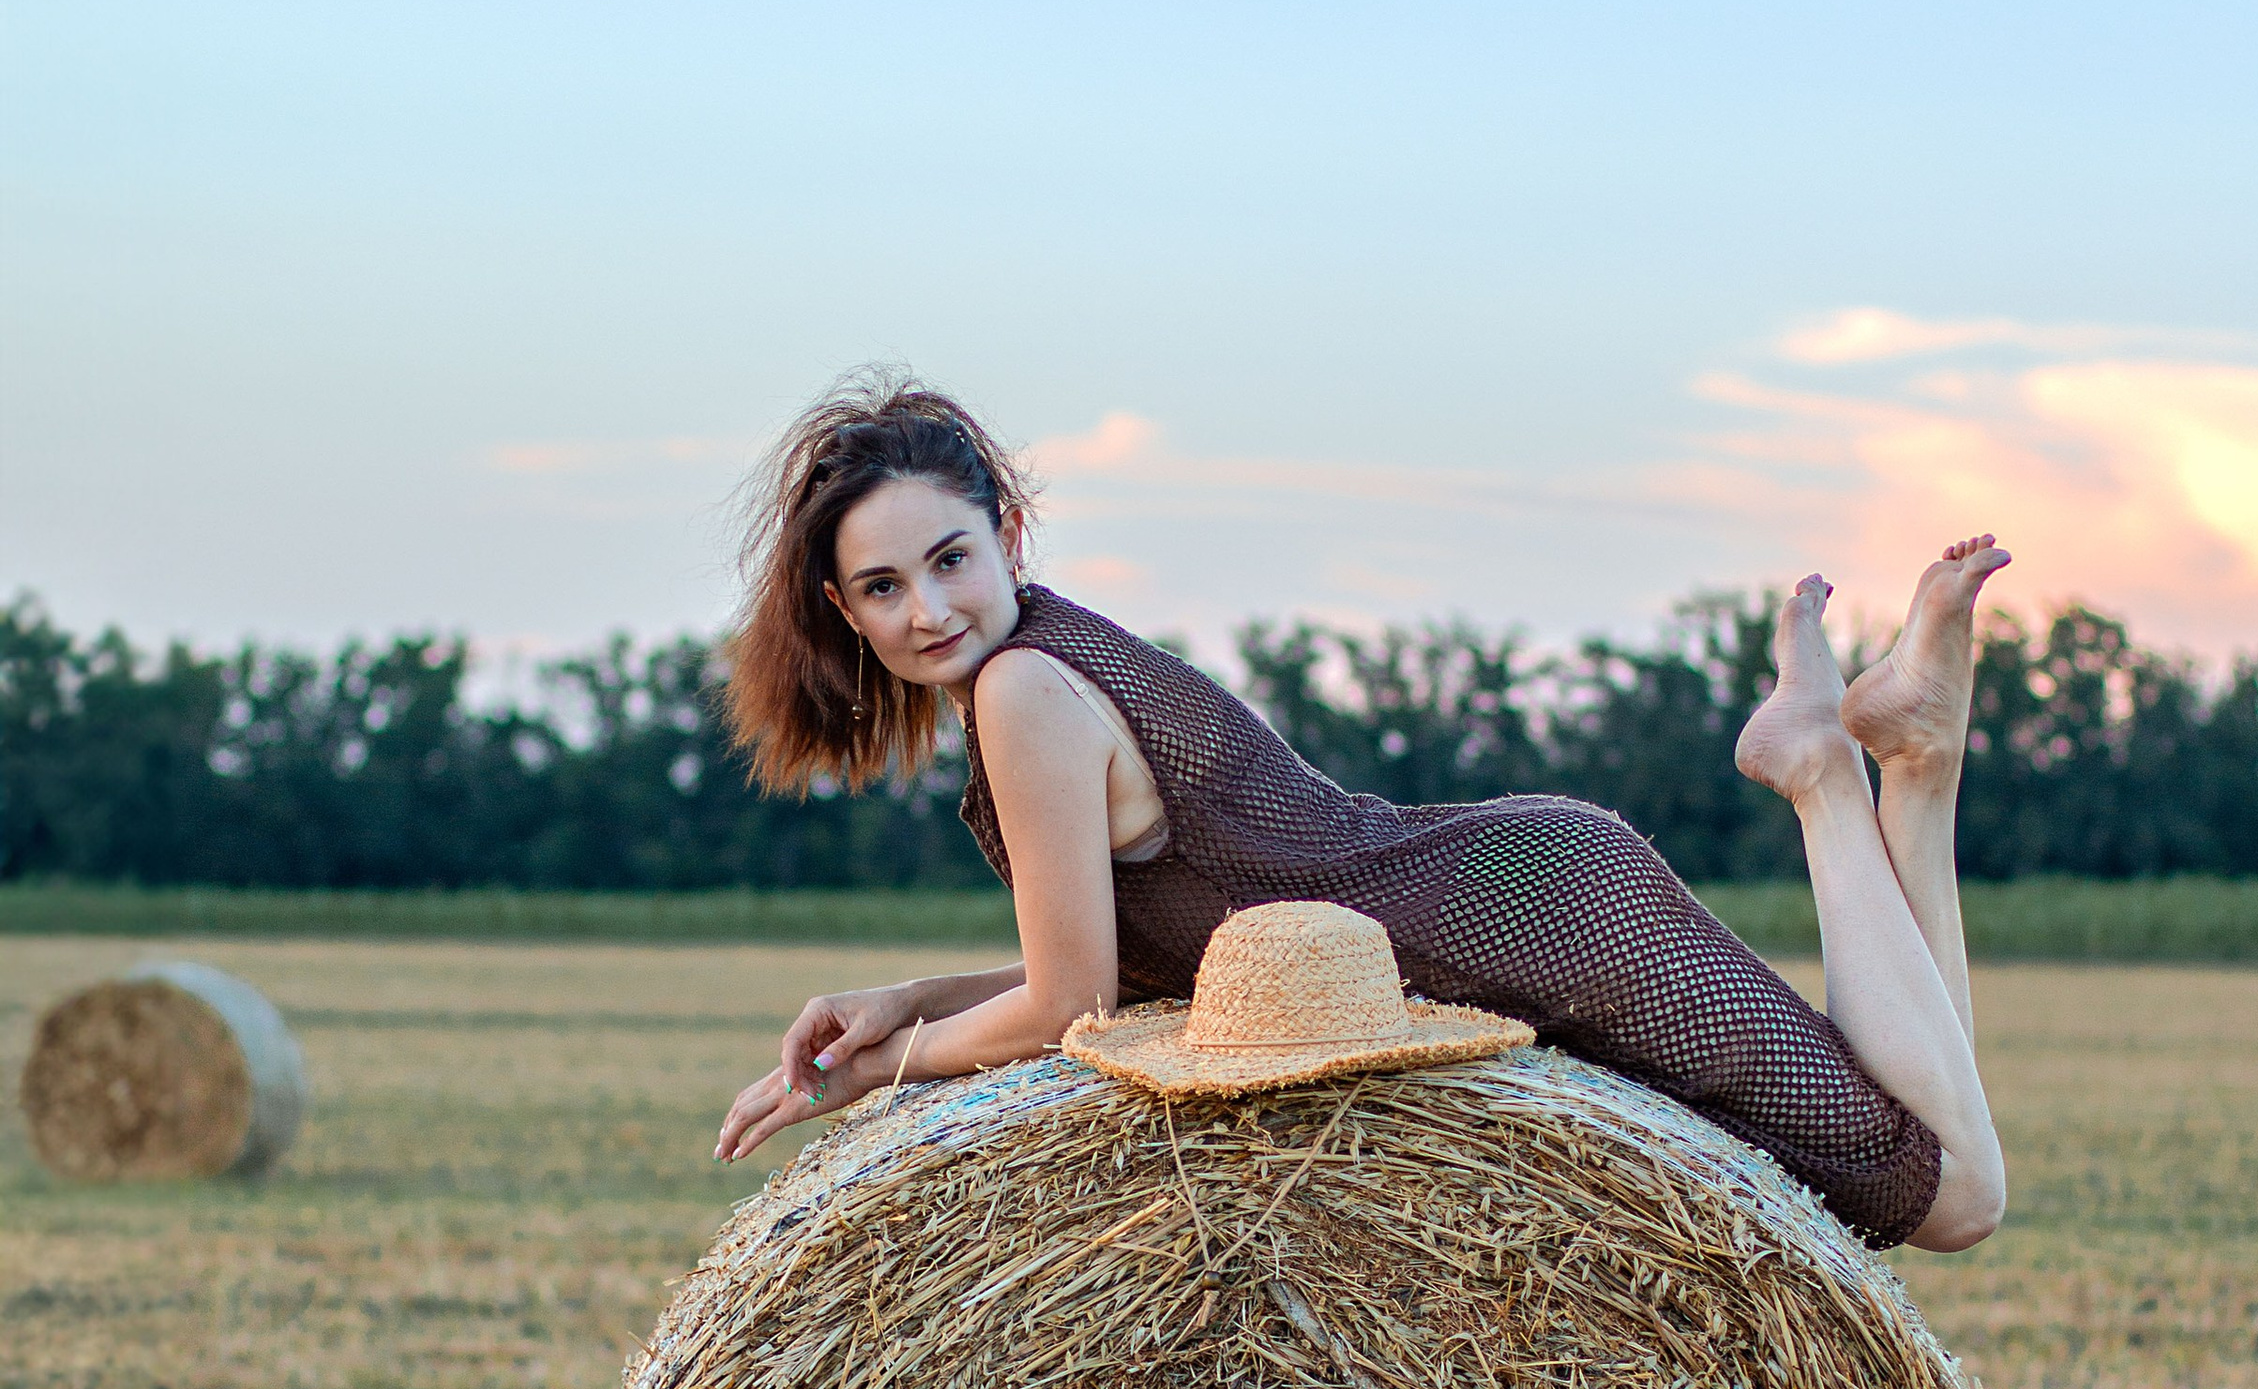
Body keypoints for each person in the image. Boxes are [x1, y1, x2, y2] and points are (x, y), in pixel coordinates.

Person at [714, 382, 2009, 1253]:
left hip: (1547, 925)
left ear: (1003, 532)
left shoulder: (1022, 693)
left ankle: (1825, 773)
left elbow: (1071, 1005)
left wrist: (886, 1067)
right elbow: (1123, 958)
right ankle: (1922, 767)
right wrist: (909, 998)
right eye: (882, 588)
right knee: (1934, 1146)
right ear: (843, 611)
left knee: (1951, 1193)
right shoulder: (1047, 665)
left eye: (948, 560)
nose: (927, 609)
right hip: (1518, 891)